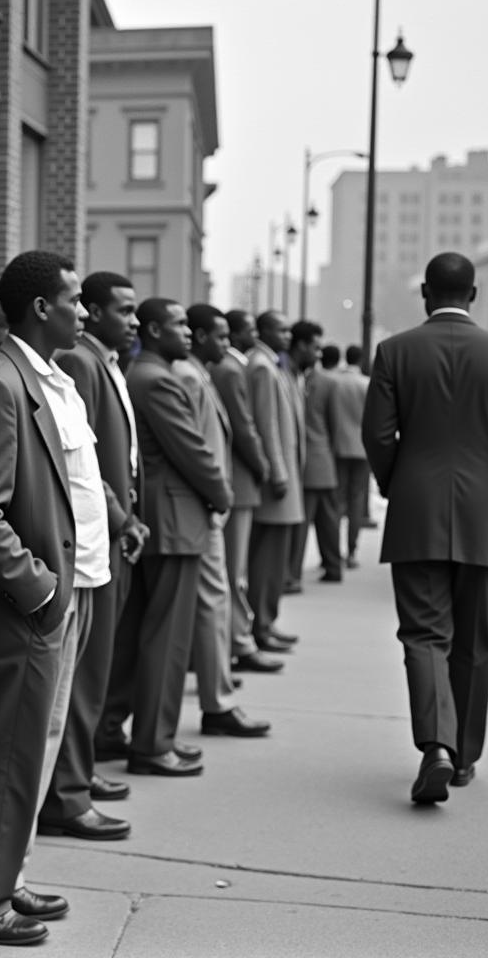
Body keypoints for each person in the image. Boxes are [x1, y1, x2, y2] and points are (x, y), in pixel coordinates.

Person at [0, 250, 103, 946]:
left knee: (32, 750)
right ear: (43, 308)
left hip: (73, 592)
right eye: (76, 299)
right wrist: (38, 587)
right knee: (6, 754)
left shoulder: (55, 380)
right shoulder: (0, 385)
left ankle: (7, 877)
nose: (85, 310)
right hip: (27, 606)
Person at [361, 251, 488, 804]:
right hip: (485, 517)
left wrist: (397, 485)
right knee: (473, 641)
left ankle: (433, 745)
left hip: (416, 512)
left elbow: (377, 436)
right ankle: (462, 758)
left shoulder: (394, 352)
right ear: (474, 295)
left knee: (423, 635)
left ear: (424, 294)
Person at [39, 271, 148, 839]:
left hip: (107, 534)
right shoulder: (78, 362)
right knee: (77, 681)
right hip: (83, 545)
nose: (133, 321)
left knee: (94, 670)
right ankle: (68, 789)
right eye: (122, 310)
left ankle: (77, 777)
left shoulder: (97, 361)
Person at [123, 298, 234, 776]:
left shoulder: (146, 373)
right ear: (152, 330)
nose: (188, 332)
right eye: (178, 325)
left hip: (165, 517)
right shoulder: (158, 378)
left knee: (149, 635)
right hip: (174, 519)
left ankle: (140, 734)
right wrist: (222, 494)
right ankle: (153, 744)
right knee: (166, 640)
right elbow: (193, 449)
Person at [176, 304, 271, 738]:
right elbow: (196, 450)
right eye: (218, 336)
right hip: (200, 506)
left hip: (206, 505)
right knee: (214, 598)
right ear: (198, 337)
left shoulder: (201, 374)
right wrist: (220, 494)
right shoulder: (189, 375)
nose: (226, 343)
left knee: (217, 597)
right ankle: (217, 700)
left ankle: (219, 692)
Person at [210, 310, 282, 675]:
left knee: (233, 569)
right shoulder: (230, 369)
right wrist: (264, 465)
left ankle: (237, 639)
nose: (253, 337)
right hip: (239, 480)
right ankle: (240, 641)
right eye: (248, 330)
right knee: (234, 570)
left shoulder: (230, 367)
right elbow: (245, 425)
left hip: (236, 480)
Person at [246, 310, 304, 652]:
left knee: (274, 555)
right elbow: (265, 424)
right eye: (280, 329)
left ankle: (267, 620)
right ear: (264, 330)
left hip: (284, 474)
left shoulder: (272, 365)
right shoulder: (263, 367)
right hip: (277, 479)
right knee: (267, 558)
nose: (287, 335)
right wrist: (278, 472)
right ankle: (261, 625)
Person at [288, 320, 342, 587]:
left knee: (304, 522)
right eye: (316, 347)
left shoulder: (311, 380)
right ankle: (333, 566)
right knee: (327, 519)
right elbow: (335, 425)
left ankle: (293, 574)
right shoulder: (324, 381)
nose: (319, 353)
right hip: (323, 458)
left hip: (312, 460)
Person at [331, 344, 372, 568]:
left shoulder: (335, 382)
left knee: (337, 501)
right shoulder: (366, 384)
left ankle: (334, 551)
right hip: (361, 449)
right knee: (356, 500)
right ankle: (352, 550)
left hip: (338, 447)